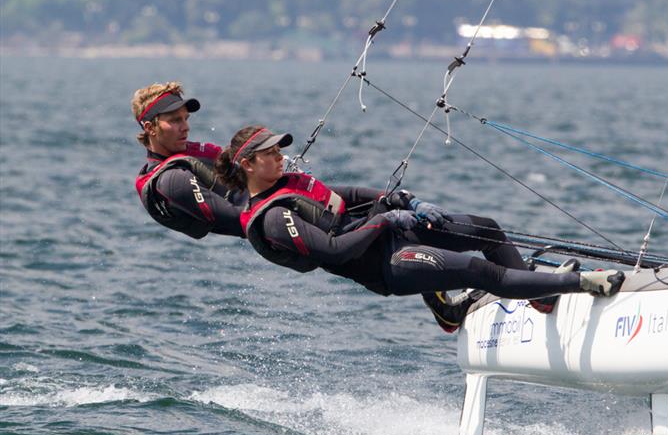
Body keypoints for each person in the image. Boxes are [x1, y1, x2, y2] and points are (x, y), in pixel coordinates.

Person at [215, 125, 625, 332]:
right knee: (475, 271)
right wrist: (385, 220)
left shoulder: (291, 184)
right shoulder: (272, 216)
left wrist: (406, 202)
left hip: (395, 233)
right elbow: (335, 251)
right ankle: (582, 284)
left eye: (280, 150)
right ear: (249, 164)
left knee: (487, 230)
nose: (281, 157)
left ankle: (540, 298)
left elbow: (351, 194)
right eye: (271, 154)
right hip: (386, 264)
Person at [131, 82, 247, 239]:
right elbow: (238, 221)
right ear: (150, 128)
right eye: (175, 120)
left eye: (186, 119)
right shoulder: (171, 180)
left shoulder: (192, 152)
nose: (186, 127)